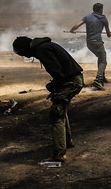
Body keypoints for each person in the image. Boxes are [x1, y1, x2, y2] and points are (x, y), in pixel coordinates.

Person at [12, 35, 84, 163]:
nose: (26, 56)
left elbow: (58, 73)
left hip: (71, 82)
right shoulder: (44, 46)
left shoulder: (42, 50)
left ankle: (60, 154)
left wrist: (53, 85)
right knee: (61, 109)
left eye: (23, 53)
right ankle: (67, 140)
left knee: (56, 114)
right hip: (73, 79)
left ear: (25, 48)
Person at [69, 3, 111, 90]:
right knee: (103, 60)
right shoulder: (103, 18)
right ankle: (98, 81)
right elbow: (109, 35)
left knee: (100, 57)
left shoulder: (87, 17)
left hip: (89, 43)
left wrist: (72, 30)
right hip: (97, 42)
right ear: (101, 9)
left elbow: (77, 25)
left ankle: (102, 77)